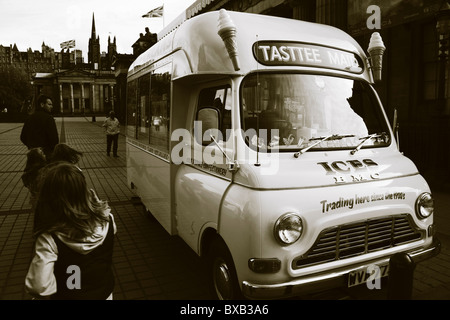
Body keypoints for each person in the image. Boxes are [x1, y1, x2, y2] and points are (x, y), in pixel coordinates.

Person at [25, 162, 116, 300]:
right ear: (84, 192)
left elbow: (39, 286)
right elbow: (106, 230)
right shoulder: (108, 221)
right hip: (105, 294)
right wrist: (98, 209)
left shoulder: (49, 238)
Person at [20, 94, 59, 159]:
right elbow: (54, 139)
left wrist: (32, 147)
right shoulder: (49, 118)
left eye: (51, 104)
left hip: (33, 155)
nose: (51, 106)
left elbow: (23, 137)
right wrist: (50, 150)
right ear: (42, 105)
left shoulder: (30, 118)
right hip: (46, 155)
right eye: (49, 104)